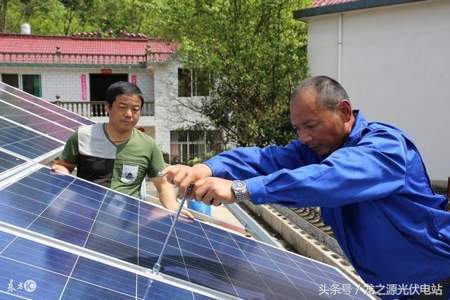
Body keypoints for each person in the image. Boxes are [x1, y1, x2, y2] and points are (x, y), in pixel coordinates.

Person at [163, 76, 450, 298]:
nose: (304, 138)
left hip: (437, 281)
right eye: (298, 129)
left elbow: (331, 179)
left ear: (345, 111)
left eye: (311, 126)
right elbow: (266, 159)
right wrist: (205, 168)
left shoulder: (384, 148)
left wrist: (239, 190)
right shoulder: (318, 149)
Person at [52, 81, 193, 218]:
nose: (129, 114)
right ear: (108, 107)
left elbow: (162, 185)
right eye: (123, 107)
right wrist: (61, 173)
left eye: (135, 109)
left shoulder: (148, 145)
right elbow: (63, 165)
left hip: (126, 223)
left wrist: (173, 207)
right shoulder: (83, 136)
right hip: (83, 216)